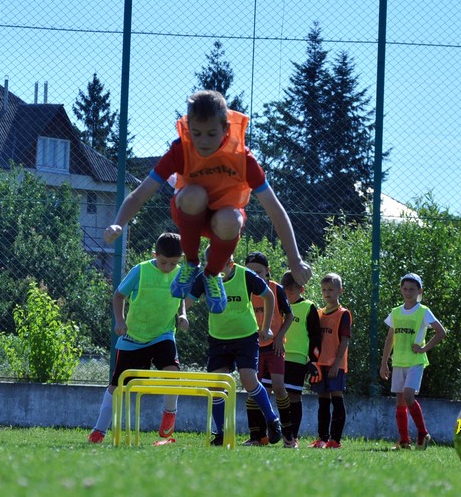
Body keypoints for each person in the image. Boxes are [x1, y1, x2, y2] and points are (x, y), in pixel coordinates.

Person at [102, 90, 312, 313]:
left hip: (224, 221)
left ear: (226, 129)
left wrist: (295, 259)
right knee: (194, 194)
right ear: (189, 128)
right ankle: (191, 263)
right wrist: (119, 221)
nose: (203, 141)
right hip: (190, 211)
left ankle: (212, 275)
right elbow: (141, 192)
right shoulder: (180, 150)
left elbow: (275, 210)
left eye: (211, 134)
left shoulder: (242, 158)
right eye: (197, 133)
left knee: (231, 218)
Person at [88, 233, 186, 445]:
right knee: (117, 386)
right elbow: (118, 295)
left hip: (163, 334)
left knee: (173, 372)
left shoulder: (181, 273)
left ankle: (170, 412)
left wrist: (183, 314)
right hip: (134, 338)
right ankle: (99, 430)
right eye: (163, 262)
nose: (168, 267)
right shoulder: (140, 270)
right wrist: (119, 321)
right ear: (155, 255)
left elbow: (182, 297)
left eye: (173, 263)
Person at [184, 251, 283, 446]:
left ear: (230, 262)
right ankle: (222, 433)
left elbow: (269, 296)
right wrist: (183, 314)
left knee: (248, 379)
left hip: (245, 337)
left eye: (219, 265)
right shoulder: (204, 278)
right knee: (215, 386)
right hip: (219, 338)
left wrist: (266, 328)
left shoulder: (246, 275)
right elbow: (187, 302)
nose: (215, 271)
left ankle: (272, 420)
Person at [379, 273, 446, 450]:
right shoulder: (395, 312)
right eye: (405, 288)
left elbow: (441, 332)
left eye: (412, 289)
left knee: (409, 396)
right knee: (400, 401)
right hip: (398, 361)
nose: (408, 292)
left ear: (419, 291)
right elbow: (389, 339)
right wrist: (384, 362)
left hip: (415, 361)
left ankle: (423, 434)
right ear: (401, 289)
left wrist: (423, 348)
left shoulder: (423, 311)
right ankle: (404, 441)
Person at [242, 251, 295, 446]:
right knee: (251, 389)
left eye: (258, 271)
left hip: (274, 348)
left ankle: (289, 436)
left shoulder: (275, 289)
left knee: (279, 388)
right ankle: (257, 436)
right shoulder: (243, 290)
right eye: (250, 271)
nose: (254, 275)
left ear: (267, 271)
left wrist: (280, 337)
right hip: (252, 347)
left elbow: (289, 316)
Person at [309, 273, 352, 449]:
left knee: (337, 399)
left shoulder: (344, 314)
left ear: (339, 291)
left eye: (331, 290)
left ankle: (335, 440)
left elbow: (345, 341)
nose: (327, 293)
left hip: (336, 365)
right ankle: (322, 438)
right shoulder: (319, 314)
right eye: (324, 290)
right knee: (323, 401)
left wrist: (336, 364)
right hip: (320, 365)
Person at [279, 270, 322, 448]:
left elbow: (315, 336)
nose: (288, 293)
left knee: (294, 397)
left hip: (298, 359)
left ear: (302, 289)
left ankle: (293, 437)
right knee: (279, 396)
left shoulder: (308, 307)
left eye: (292, 290)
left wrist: (313, 360)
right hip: (277, 356)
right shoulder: (278, 306)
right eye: (285, 290)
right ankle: (272, 435)